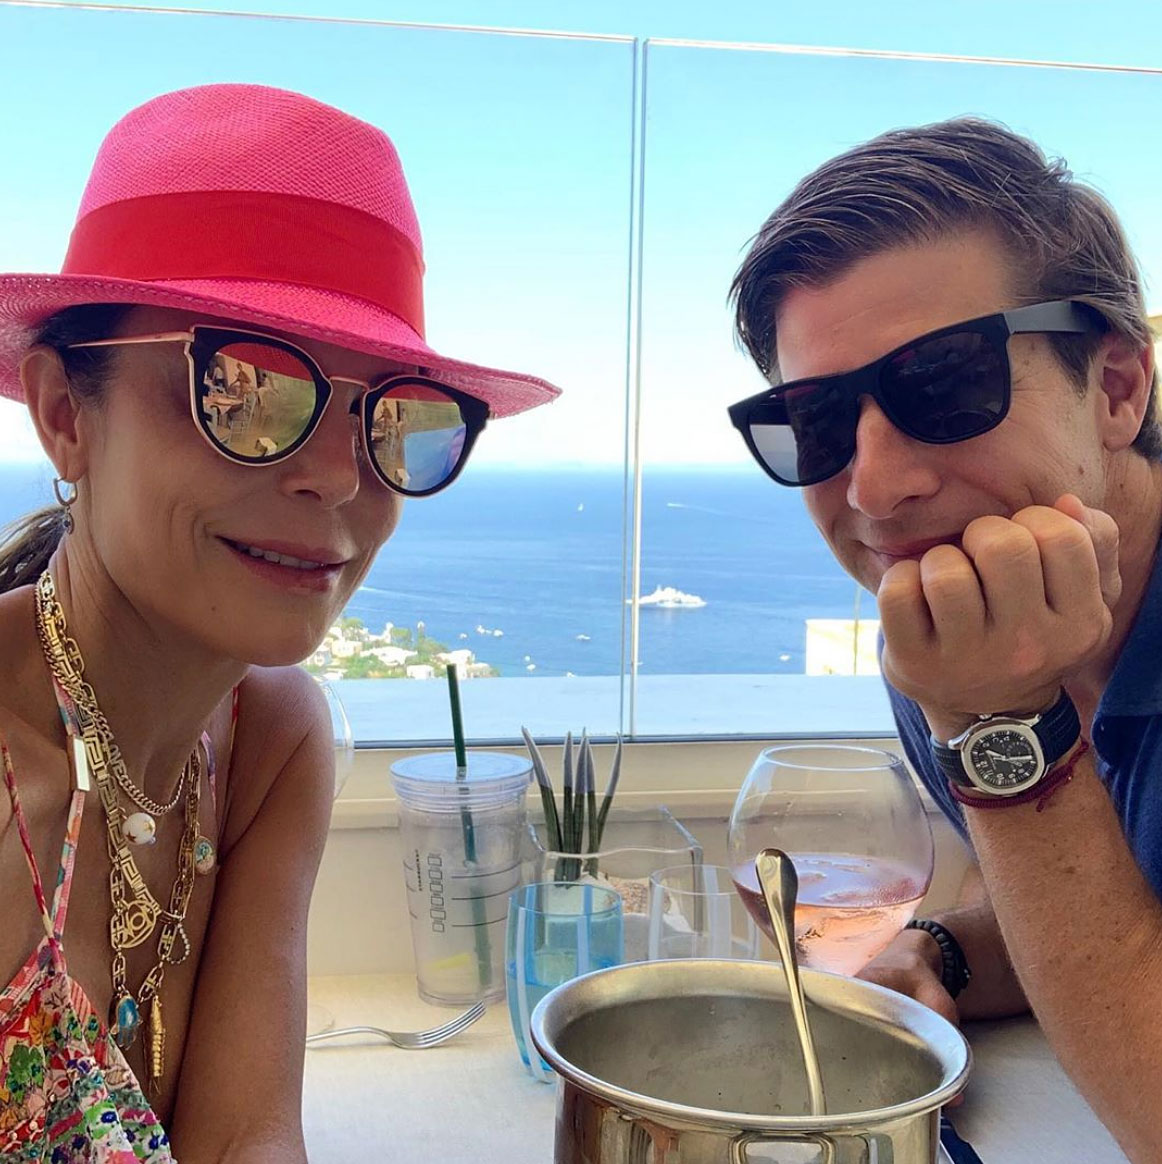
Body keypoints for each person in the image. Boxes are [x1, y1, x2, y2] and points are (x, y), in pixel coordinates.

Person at [0, 83, 559, 1160]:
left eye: (393, 415)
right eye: (247, 390)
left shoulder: (268, 742)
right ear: (68, 415)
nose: (339, 477)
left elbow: (246, 1140)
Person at [727, 117, 1162, 1160]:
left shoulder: (974, 674)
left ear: (1115, 386)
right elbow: (1108, 898)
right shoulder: (960, 631)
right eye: (816, 423)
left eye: (947, 382)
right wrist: (939, 949)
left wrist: (1001, 726)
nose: (875, 488)